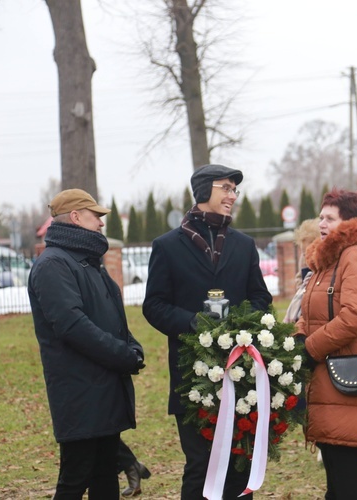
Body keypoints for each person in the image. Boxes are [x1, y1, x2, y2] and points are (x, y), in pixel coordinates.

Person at [142, 164, 272, 500]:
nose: (232, 196)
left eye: (234, 190)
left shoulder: (244, 245)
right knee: (200, 464)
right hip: (192, 375)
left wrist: (241, 324)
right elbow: (153, 305)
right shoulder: (167, 246)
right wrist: (195, 322)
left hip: (240, 372)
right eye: (225, 188)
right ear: (203, 192)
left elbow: (260, 297)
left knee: (239, 462)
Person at [28, 189, 145, 499]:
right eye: (97, 216)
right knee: (76, 476)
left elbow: (111, 317)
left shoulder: (87, 262)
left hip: (104, 387)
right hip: (79, 391)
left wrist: (131, 346)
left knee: (105, 472)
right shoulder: (54, 265)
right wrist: (122, 354)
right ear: (77, 217)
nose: (102, 223)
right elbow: (72, 325)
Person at [296, 188, 357, 500]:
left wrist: (310, 348)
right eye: (321, 217)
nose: (322, 223)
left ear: (349, 222)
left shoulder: (354, 256)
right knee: (336, 472)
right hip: (326, 377)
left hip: (346, 375)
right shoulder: (327, 258)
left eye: (330, 218)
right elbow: (312, 311)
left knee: (347, 473)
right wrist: (298, 337)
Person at [283, 218, 320, 324]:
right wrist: (301, 288)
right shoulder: (303, 259)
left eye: (310, 252)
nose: (306, 256)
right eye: (303, 252)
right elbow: (299, 277)